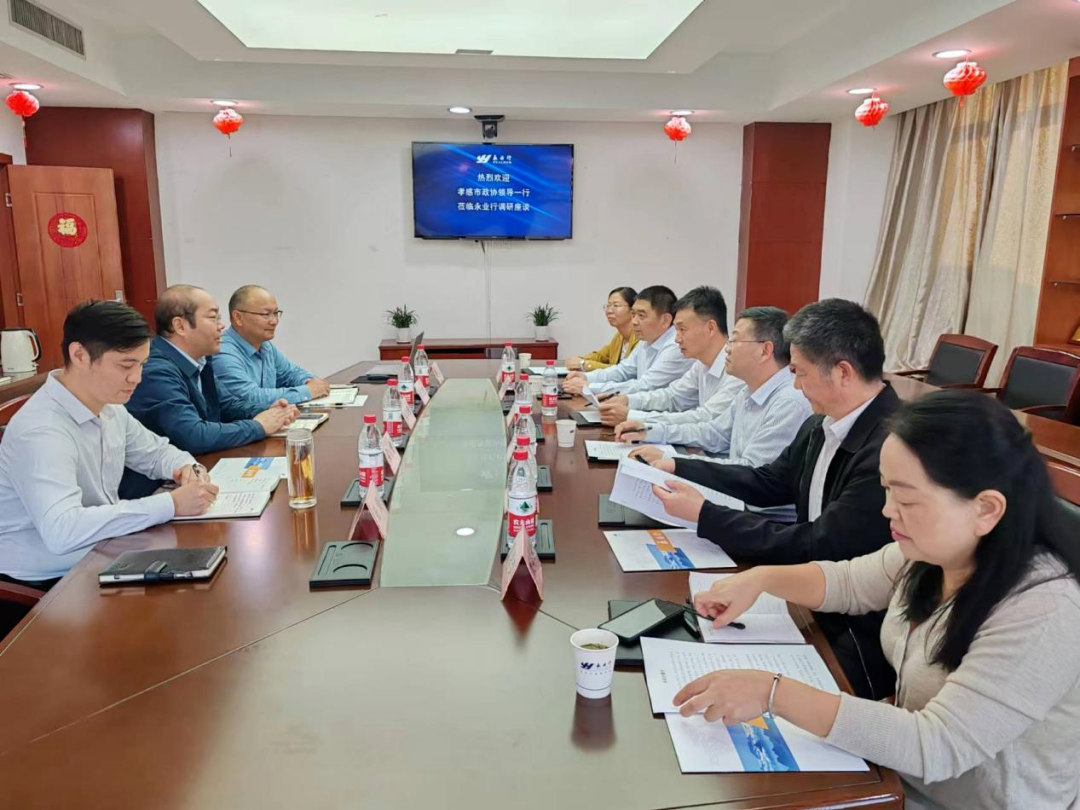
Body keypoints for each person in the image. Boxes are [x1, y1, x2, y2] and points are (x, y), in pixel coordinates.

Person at [679, 391, 1080, 810]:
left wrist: (772, 693)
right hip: (897, 777)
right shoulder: (933, 552)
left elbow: (937, 745)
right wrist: (760, 579)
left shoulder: (1045, 608)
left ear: (986, 509)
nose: (888, 510)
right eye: (886, 489)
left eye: (906, 499)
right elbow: (849, 582)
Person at [648, 298, 899, 698]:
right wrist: (681, 467)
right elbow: (768, 481)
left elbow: (820, 543)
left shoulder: (889, 448)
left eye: (799, 372)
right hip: (808, 594)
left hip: (850, 629)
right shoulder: (822, 423)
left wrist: (706, 514)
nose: (795, 385)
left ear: (842, 372)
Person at [0, 301, 218, 588]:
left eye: (141, 364)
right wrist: (171, 504)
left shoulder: (108, 406)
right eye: (126, 365)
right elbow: (62, 531)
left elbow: (156, 453)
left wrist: (187, 467)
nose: (137, 378)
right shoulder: (42, 430)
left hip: (104, 550)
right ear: (79, 355)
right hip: (47, 581)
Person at [626, 306, 811, 521]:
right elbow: (714, 432)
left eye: (734, 341)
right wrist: (654, 431)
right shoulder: (748, 390)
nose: (727, 349)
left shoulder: (789, 402)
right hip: (737, 501)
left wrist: (675, 461)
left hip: (763, 519)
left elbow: (753, 473)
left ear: (765, 350)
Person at [121, 285, 298, 498]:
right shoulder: (156, 370)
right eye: (213, 318)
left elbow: (227, 405)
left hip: (193, 474)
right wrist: (258, 426)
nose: (221, 326)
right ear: (180, 326)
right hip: (153, 491)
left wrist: (269, 411)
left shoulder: (200, 360)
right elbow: (193, 435)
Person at [595, 286, 744, 428]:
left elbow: (705, 418)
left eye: (682, 330)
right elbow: (672, 396)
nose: (677, 339)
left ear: (710, 328)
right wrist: (628, 400)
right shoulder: (701, 364)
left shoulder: (738, 370)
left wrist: (633, 416)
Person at [215, 285, 331, 411]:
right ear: (238, 317)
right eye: (266, 314)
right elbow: (250, 397)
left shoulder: (265, 346)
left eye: (275, 313)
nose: (274, 321)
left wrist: (312, 383)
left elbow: (291, 374)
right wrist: (307, 391)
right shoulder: (222, 351)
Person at [562, 285, 692, 397]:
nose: (634, 321)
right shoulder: (645, 339)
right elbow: (623, 371)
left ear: (665, 320)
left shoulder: (675, 346)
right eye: (633, 314)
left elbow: (645, 386)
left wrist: (589, 386)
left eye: (641, 315)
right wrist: (586, 377)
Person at [565, 287, 639, 372]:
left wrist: (584, 364)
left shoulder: (640, 338)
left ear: (632, 309)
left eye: (616, 305)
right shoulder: (619, 337)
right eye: (608, 306)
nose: (609, 311)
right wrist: (579, 359)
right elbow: (600, 356)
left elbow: (623, 372)